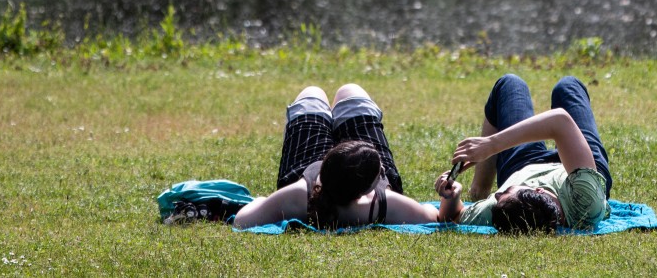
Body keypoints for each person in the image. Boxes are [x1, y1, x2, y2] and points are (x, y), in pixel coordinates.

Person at [232, 83, 462, 229]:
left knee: (312, 93)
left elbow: (241, 221)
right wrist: (451, 198)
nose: (383, 171)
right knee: (350, 91)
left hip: (306, 165)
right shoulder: (385, 204)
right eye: (380, 172)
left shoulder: (296, 196)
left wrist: (266, 202)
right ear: (367, 190)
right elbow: (439, 219)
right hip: (344, 170)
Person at [443, 74, 612, 233]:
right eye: (505, 191)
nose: (497, 194)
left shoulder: (502, 208)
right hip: (583, 168)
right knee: (568, 86)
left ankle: (478, 189)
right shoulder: (586, 201)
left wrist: (451, 195)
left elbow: (453, 216)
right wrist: (490, 145)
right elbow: (560, 121)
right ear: (538, 190)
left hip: (524, 165)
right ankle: (480, 187)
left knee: (509, 83)